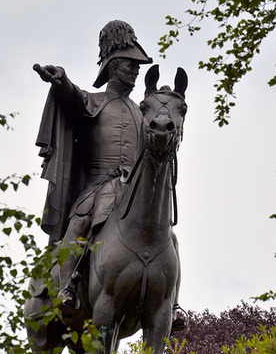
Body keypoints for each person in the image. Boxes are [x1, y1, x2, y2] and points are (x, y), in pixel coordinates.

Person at [33, 20, 187, 330]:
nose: (135, 71)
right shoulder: (94, 102)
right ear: (113, 66)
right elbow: (72, 97)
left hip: (135, 186)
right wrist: (61, 80)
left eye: (137, 66)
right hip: (98, 186)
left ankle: (174, 302)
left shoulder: (142, 109)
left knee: (170, 236)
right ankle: (68, 288)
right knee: (80, 222)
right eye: (130, 65)